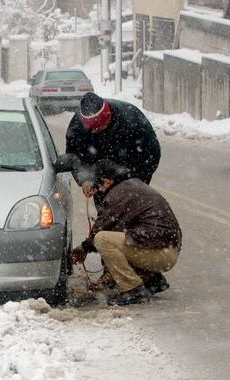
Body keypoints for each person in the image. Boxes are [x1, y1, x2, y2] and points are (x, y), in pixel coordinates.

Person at [71, 160, 182, 306]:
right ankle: (152, 280)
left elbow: (102, 229)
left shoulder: (118, 195)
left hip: (160, 253)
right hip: (167, 250)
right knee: (125, 237)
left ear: (107, 181)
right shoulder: (133, 185)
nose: (96, 192)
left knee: (103, 239)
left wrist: (83, 248)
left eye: (97, 186)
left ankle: (132, 289)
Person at [65, 92, 161, 206]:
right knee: (107, 213)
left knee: (132, 209)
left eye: (99, 127)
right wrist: (85, 179)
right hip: (100, 177)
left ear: (108, 117)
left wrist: (127, 181)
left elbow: (151, 156)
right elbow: (74, 156)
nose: (96, 131)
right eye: (92, 129)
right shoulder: (78, 125)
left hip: (131, 172)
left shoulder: (133, 120)